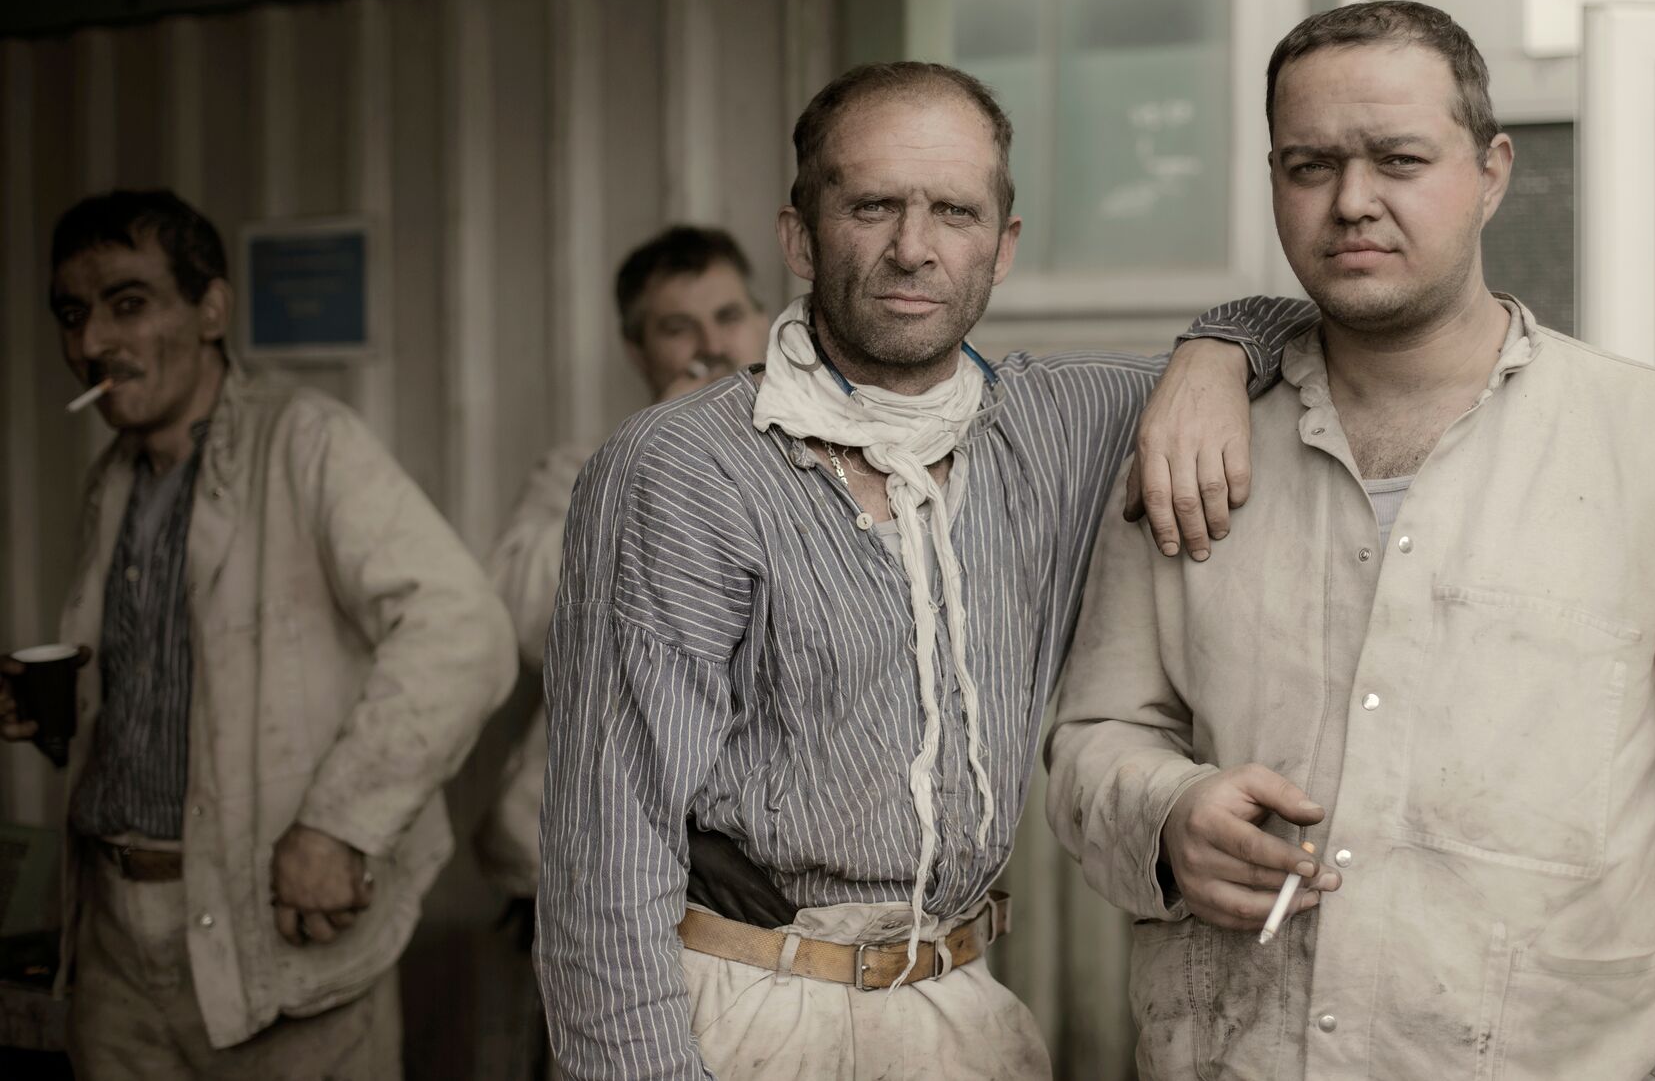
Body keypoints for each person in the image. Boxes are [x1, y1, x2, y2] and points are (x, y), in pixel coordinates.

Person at [1046, 1, 1655, 1080]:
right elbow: (1093, 737)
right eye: (1309, 165)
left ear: (1492, 170)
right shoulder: (1193, 447)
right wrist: (1165, 812)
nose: (1352, 202)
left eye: (1399, 158)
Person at [534, 61, 1315, 1081]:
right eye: (873, 206)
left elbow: (1305, 327)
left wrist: (1211, 354)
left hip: (961, 1014)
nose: (914, 247)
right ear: (799, 236)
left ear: (1004, 245)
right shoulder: (681, 468)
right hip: (738, 1017)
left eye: (955, 211)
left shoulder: (1059, 422)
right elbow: (606, 860)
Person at [0, 189, 517, 1080]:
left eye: (129, 304)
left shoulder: (305, 441)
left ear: (211, 309)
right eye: (74, 315)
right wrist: (53, 710)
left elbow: (463, 628)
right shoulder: (112, 480)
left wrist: (341, 827)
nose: (91, 345)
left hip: (276, 939)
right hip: (117, 943)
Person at [476, 225, 771, 903]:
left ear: (762, 324)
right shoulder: (580, 471)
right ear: (637, 350)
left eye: (729, 317)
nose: (712, 345)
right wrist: (649, 460)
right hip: (600, 862)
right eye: (678, 327)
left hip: (760, 871)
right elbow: (521, 624)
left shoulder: (819, 470)